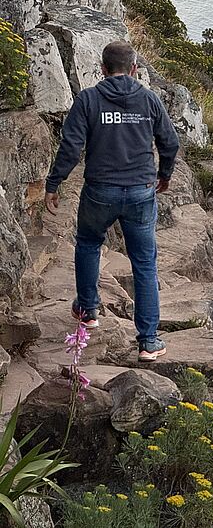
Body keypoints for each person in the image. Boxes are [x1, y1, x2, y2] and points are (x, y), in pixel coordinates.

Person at [44, 41, 180, 362]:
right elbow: (170, 142)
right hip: (140, 192)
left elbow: (71, 146)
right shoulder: (148, 99)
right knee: (144, 263)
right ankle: (148, 341)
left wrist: (54, 183)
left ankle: (88, 310)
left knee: (89, 244)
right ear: (134, 69)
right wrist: (165, 174)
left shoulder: (88, 99)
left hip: (99, 191)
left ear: (102, 69)